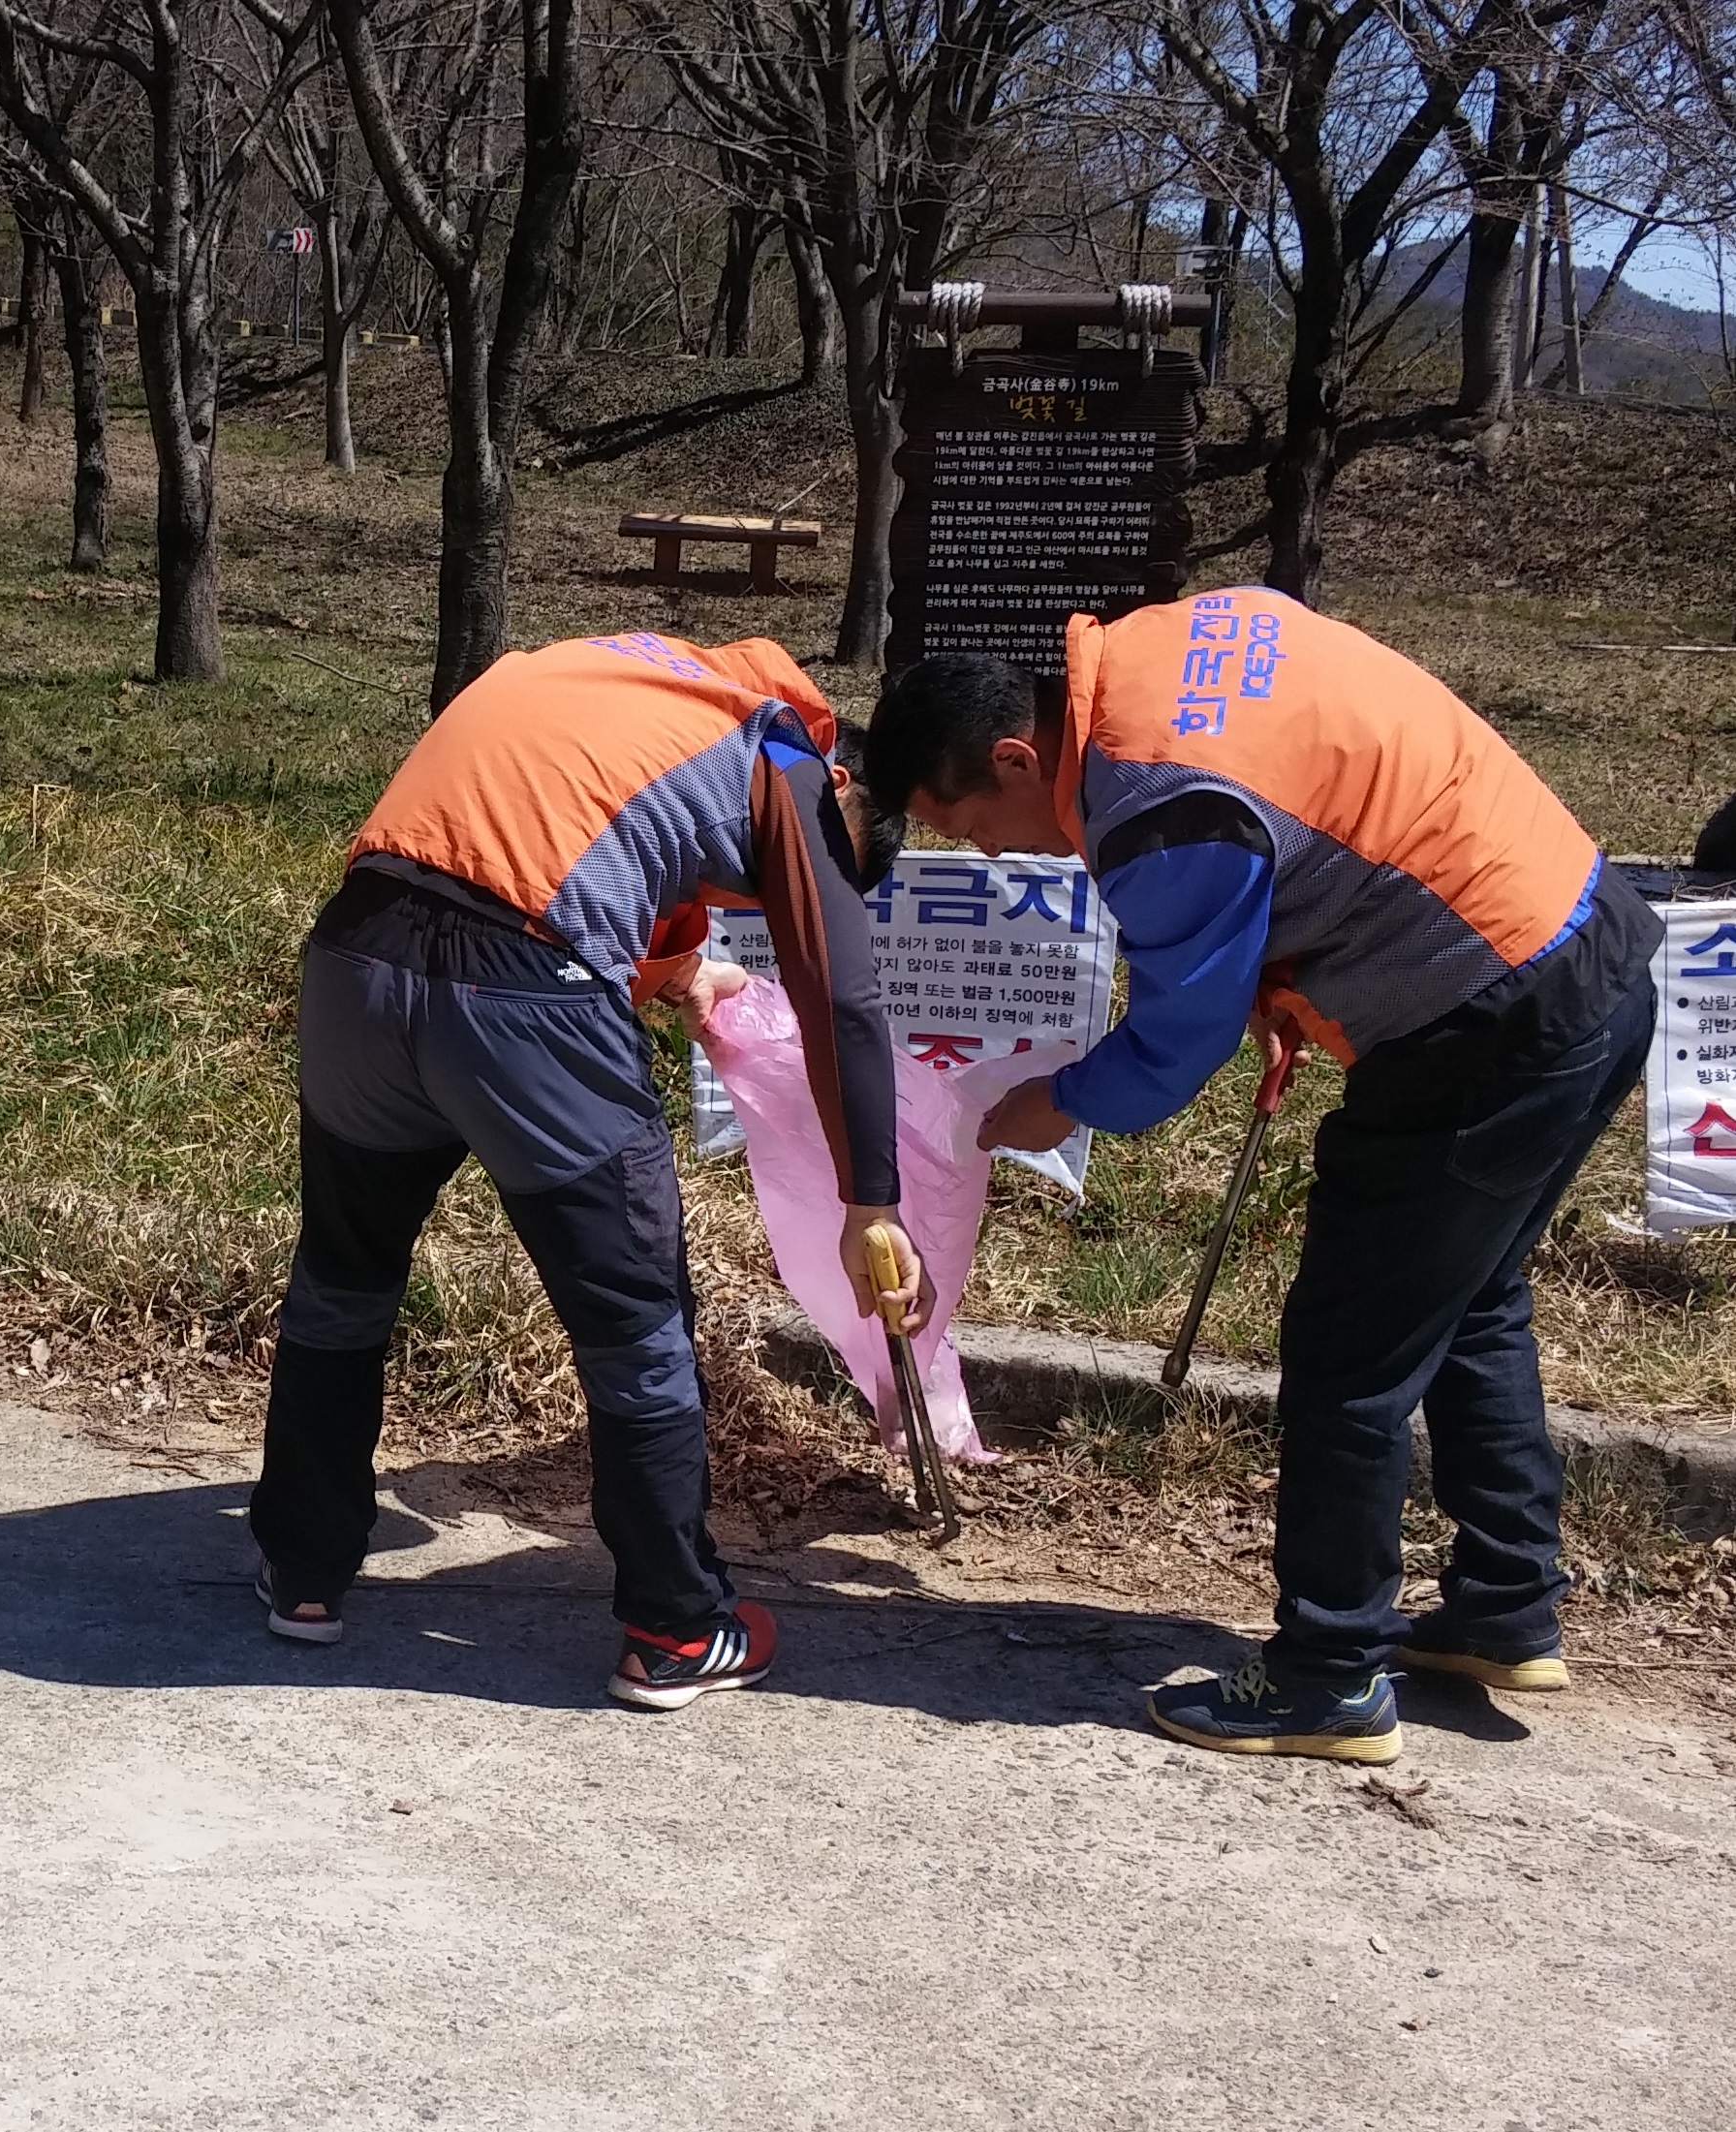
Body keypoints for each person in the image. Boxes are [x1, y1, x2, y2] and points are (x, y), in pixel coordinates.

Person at [865, 589, 1661, 1765]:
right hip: (1582, 947)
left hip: (1484, 1015)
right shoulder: (1153, 656)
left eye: (974, 825)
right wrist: (1283, 971)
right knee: (1466, 1297)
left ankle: (1326, 1671)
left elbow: (1172, 1042)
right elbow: (1304, 817)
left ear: (1015, 757)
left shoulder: (1151, 801)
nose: (995, 853)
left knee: (1348, 1351)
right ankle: (1503, 1603)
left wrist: (1057, 1098)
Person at [252, 630, 928, 1710]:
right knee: (635, 1325)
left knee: (341, 1278)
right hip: (522, 1002)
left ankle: (301, 1568)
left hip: (355, 960)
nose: (761, 893)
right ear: (839, 785)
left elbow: (539, 845)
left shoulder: (607, 678)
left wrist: (684, 973)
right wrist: (871, 1202)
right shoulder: (787, 753)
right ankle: (676, 1625)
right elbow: (839, 995)